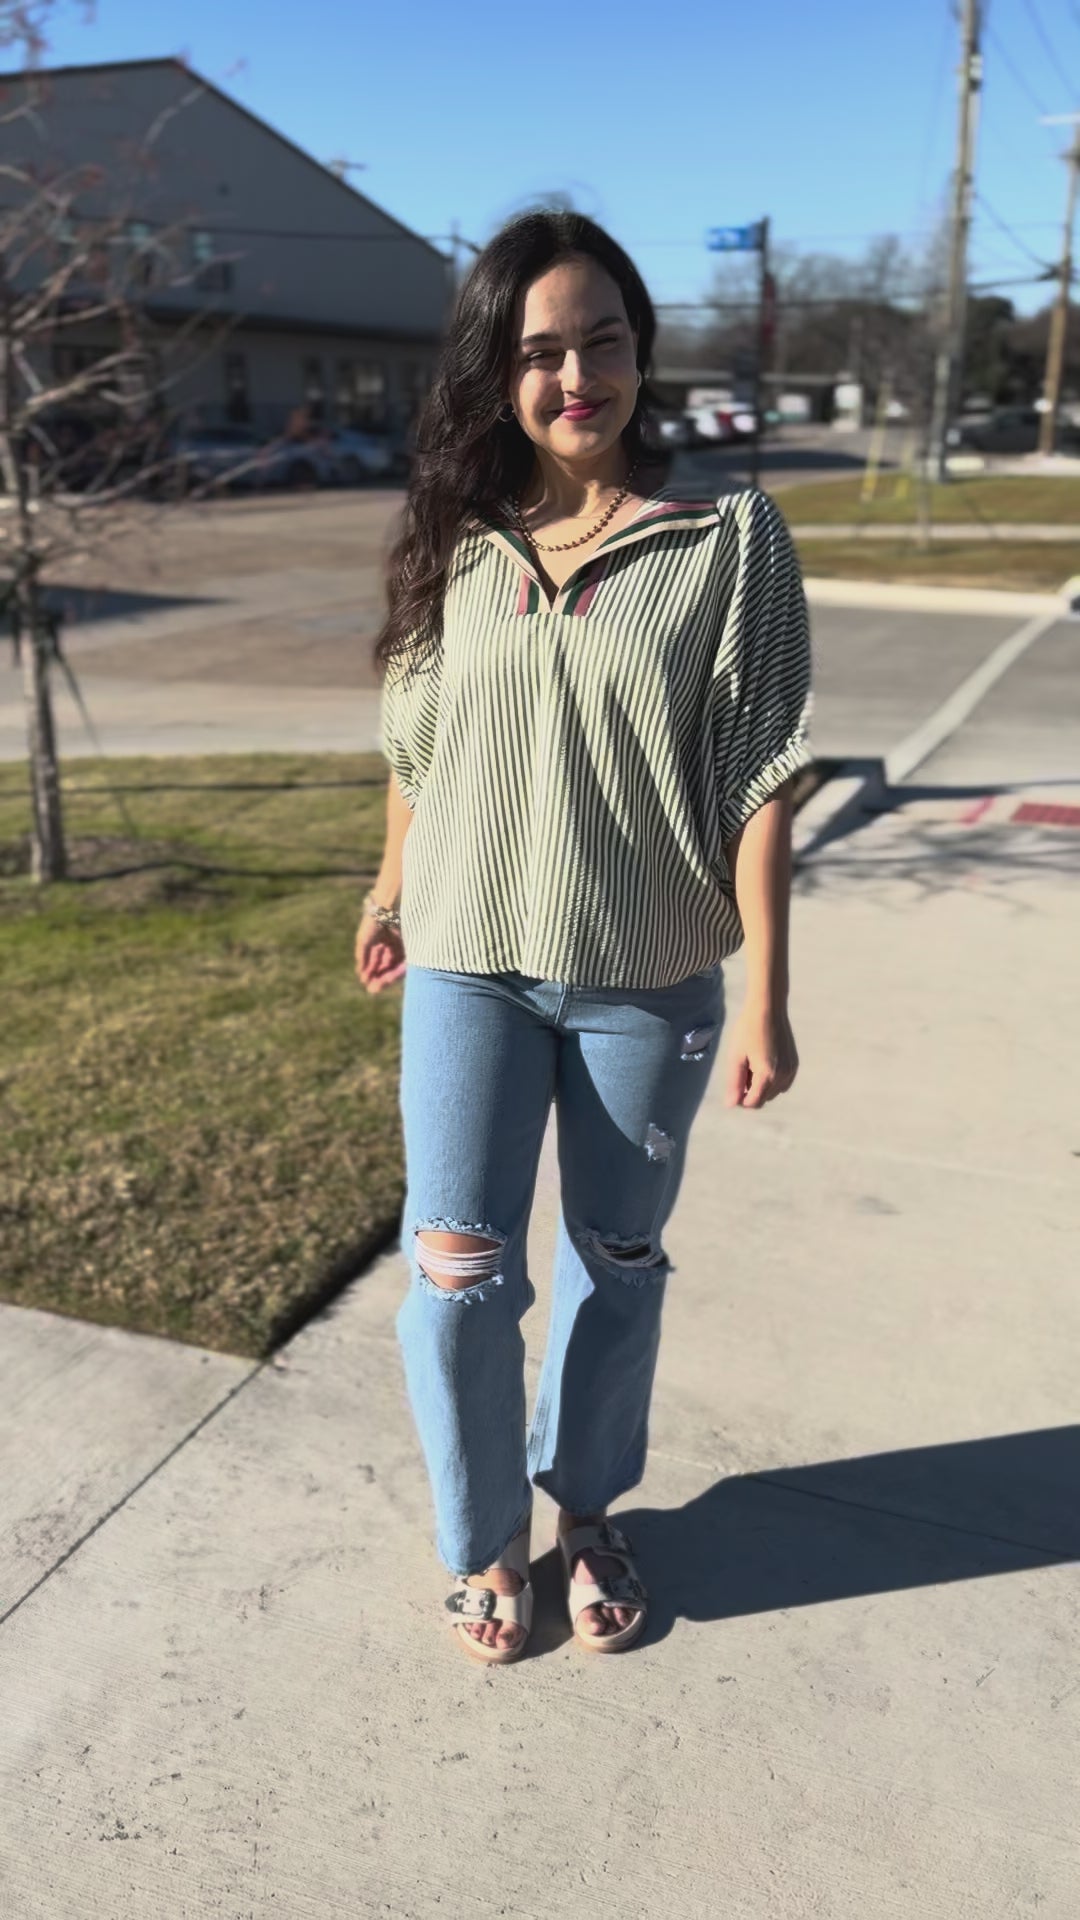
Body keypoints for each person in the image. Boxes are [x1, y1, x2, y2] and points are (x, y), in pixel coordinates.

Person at [355, 211, 812, 1665]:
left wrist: (765, 1006)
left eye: (601, 340)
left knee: (622, 1259)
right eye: (539, 350)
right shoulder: (452, 543)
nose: (575, 377)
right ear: (497, 371)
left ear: (641, 350)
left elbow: (760, 777)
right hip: (469, 963)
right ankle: (487, 1537)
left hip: (646, 976)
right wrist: (386, 896)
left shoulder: (726, 540)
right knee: (460, 1272)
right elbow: (416, 750)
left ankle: (586, 1512)